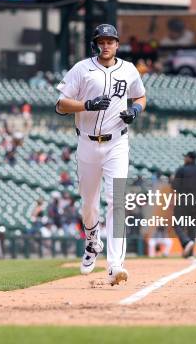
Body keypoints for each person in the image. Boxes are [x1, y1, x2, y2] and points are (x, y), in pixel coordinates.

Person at [55, 23, 147, 286]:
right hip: (87, 143)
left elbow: (140, 96)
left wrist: (136, 111)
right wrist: (87, 104)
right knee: (89, 205)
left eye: (111, 41)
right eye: (102, 41)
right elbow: (60, 105)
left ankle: (115, 265)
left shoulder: (128, 69)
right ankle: (92, 239)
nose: (106, 45)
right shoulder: (82, 68)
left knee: (117, 200)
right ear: (96, 44)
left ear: (118, 44)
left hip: (117, 143)